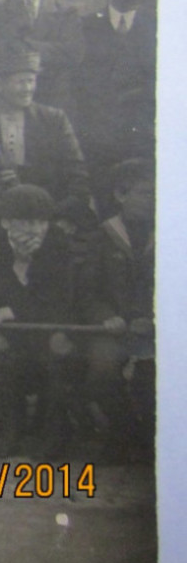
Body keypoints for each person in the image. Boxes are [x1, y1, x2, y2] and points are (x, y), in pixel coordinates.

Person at [0, 184, 80, 459]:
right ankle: (9, 429)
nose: (36, 229)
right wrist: (19, 264)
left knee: (58, 352)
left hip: (49, 327)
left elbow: (58, 301)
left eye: (42, 222)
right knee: (0, 349)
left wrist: (6, 309)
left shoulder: (58, 245)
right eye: (26, 222)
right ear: (5, 222)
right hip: (10, 332)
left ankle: (54, 432)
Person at [80, 158, 155, 459]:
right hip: (112, 328)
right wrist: (105, 317)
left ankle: (152, 440)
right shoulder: (103, 238)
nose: (154, 201)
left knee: (154, 376)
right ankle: (126, 434)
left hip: (156, 329)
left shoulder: (173, 233)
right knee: (102, 369)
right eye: (146, 193)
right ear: (121, 196)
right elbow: (86, 291)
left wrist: (152, 319)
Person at [75, 0, 156, 212]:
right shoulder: (86, 27)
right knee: (103, 207)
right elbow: (78, 86)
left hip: (141, 138)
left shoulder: (156, 27)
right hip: (98, 140)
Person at [0, 44, 95, 231]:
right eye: (20, 82)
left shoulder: (54, 119)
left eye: (31, 81)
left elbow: (78, 174)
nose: (27, 88)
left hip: (51, 216)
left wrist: (61, 218)